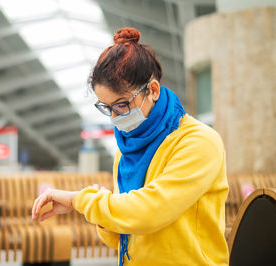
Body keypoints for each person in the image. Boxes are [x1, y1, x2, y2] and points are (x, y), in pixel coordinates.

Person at [32, 27, 229, 266]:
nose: (114, 117)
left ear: (153, 90)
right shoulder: (127, 150)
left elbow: (149, 211)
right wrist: (104, 212)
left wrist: (80, 201)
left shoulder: (198, 141)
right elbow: (122, 237)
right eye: (106, 107)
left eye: (121, 105)